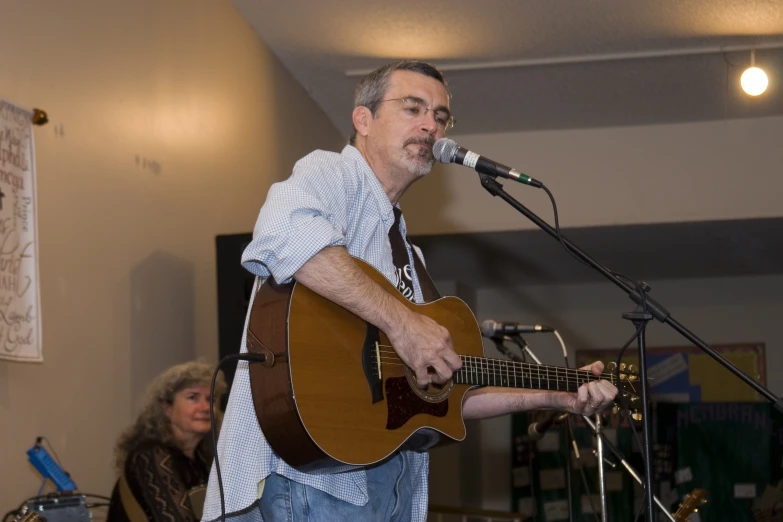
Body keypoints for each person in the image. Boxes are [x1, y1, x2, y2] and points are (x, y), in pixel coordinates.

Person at [202, 60, 617, 522]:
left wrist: (556, 396)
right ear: (364, 119)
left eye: (441, 117)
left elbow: (446, 389)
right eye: (413, 108)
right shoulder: (331, 175)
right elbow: (282, 232)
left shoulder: (409, 259)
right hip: (311, 479)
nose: (430, 125)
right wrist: (402, 323)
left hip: (387, 487)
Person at [107, 360, 227, 522]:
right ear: (167, 408)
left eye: (210, 399)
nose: (205, 407)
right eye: (193, 397)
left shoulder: (202, 459)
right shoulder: (150, 455)